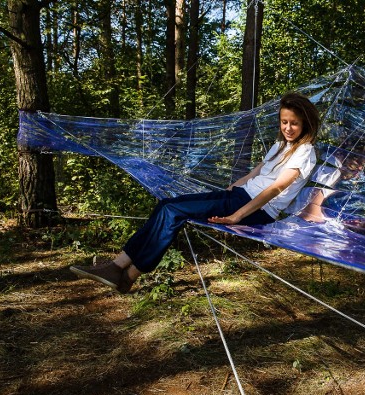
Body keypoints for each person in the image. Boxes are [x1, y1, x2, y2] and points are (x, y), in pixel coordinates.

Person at [71, 93, 321, 293]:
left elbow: (276, 187)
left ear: (306, 123)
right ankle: (120, 269)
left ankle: (124, 272)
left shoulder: (305, 152)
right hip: (239, 196)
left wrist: (237, 215)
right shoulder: (281, 145)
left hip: (258, 209)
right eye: (284, 121)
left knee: (172, 211)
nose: (288, 127)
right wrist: (233, 186)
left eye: (294, 123)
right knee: (167, 204)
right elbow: (258, 171)